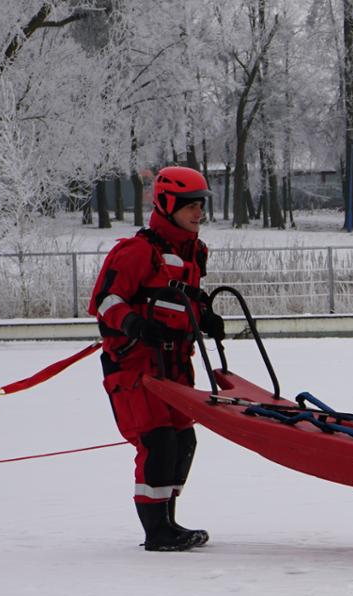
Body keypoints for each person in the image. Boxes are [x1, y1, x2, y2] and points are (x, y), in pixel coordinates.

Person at [88, 166, 226, 552]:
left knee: (183, 440)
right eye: (189, 206)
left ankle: (168, 520)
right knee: (158, 442)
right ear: (167, 205)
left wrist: (205, 317)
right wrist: (133, 324)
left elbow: (180, 299)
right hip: (136, 367)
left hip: (176, 365)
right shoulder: (135, 252)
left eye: (200, 205)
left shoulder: (194, 252)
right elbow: (105, 301)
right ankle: (156, 532)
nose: (198, 213)